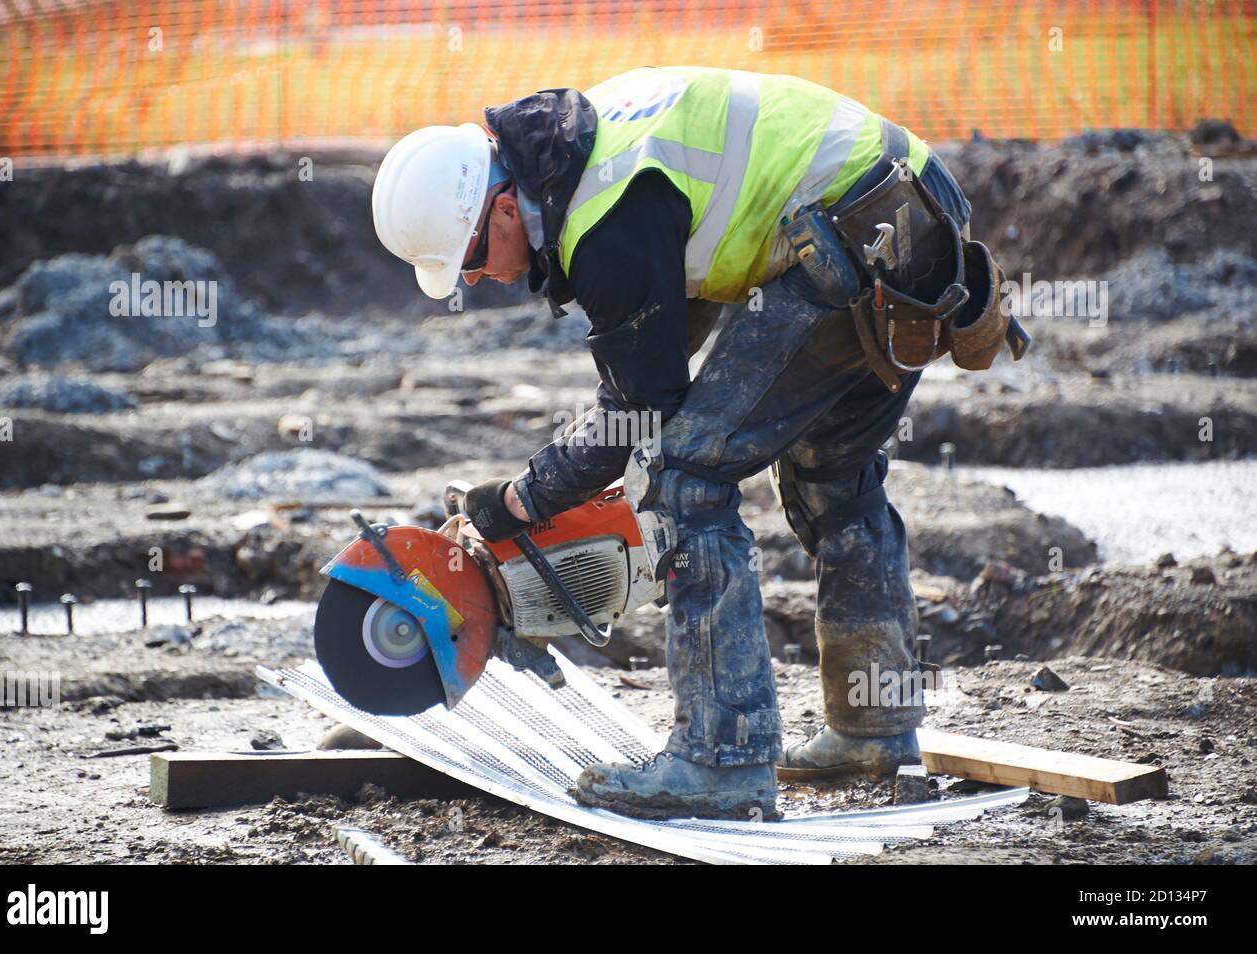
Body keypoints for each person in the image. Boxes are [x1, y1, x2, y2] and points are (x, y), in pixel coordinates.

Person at [370, 66, 1018, 820]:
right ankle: (874, 726)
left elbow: (640, 412)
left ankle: (723, 758)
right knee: (833, 475)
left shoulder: (602, 215)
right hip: (911, 217)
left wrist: (517, 501)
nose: (480, 279)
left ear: (503, 210)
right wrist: (560, 478)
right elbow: (663, 364)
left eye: (473, 260)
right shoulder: (592, 147)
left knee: (687, 477)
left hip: (854, 235)